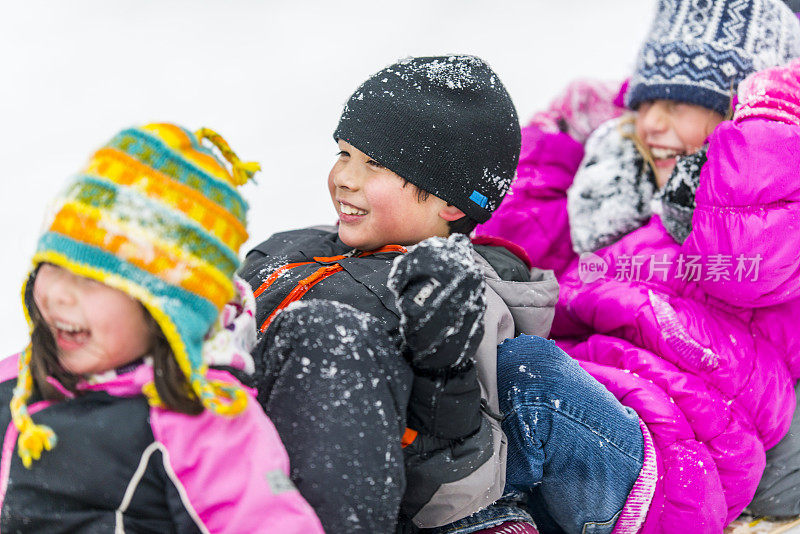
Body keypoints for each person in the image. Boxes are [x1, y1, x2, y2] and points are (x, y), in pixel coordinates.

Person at [477, 0, 800, 531]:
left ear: (743, 115)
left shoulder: (766, 221)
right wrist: (554, 143)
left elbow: (746, 254)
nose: (650, 123)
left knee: (523, 376)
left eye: (679, 101)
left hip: (674, 452)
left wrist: (776, 127)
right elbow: (506, 266)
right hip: (594, 405)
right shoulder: (617, 193)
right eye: (645, 100)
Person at [238, 55, 563, 533]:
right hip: (215, 455)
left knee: (331, 336)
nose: (344, 177)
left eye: (375, 164)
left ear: (451, 201)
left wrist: (442, 363)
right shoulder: (293, 244)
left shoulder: (456, 294)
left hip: (325, 497)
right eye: (343, 154)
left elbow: (452, 446)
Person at [0, 123, 324, 533]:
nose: (61, 295)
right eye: (55, 266)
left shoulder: (205, 427)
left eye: (93, 281)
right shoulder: (17, 383)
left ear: (168, 311)